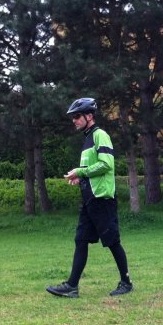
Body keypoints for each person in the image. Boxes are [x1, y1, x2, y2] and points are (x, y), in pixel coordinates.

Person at [46, 97, 133, 298]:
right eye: (73, 117)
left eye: (77, 116)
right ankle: (72, 286)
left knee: (112, 241)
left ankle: (126, 282)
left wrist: (81, 171)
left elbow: (106, 164)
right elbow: (91, 169)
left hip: (102, 199)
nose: (74, 120)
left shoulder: (100, 135)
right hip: (89, 200)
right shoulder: (87, 139)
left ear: (89, 116)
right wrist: (80, 176)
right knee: (80, 240)